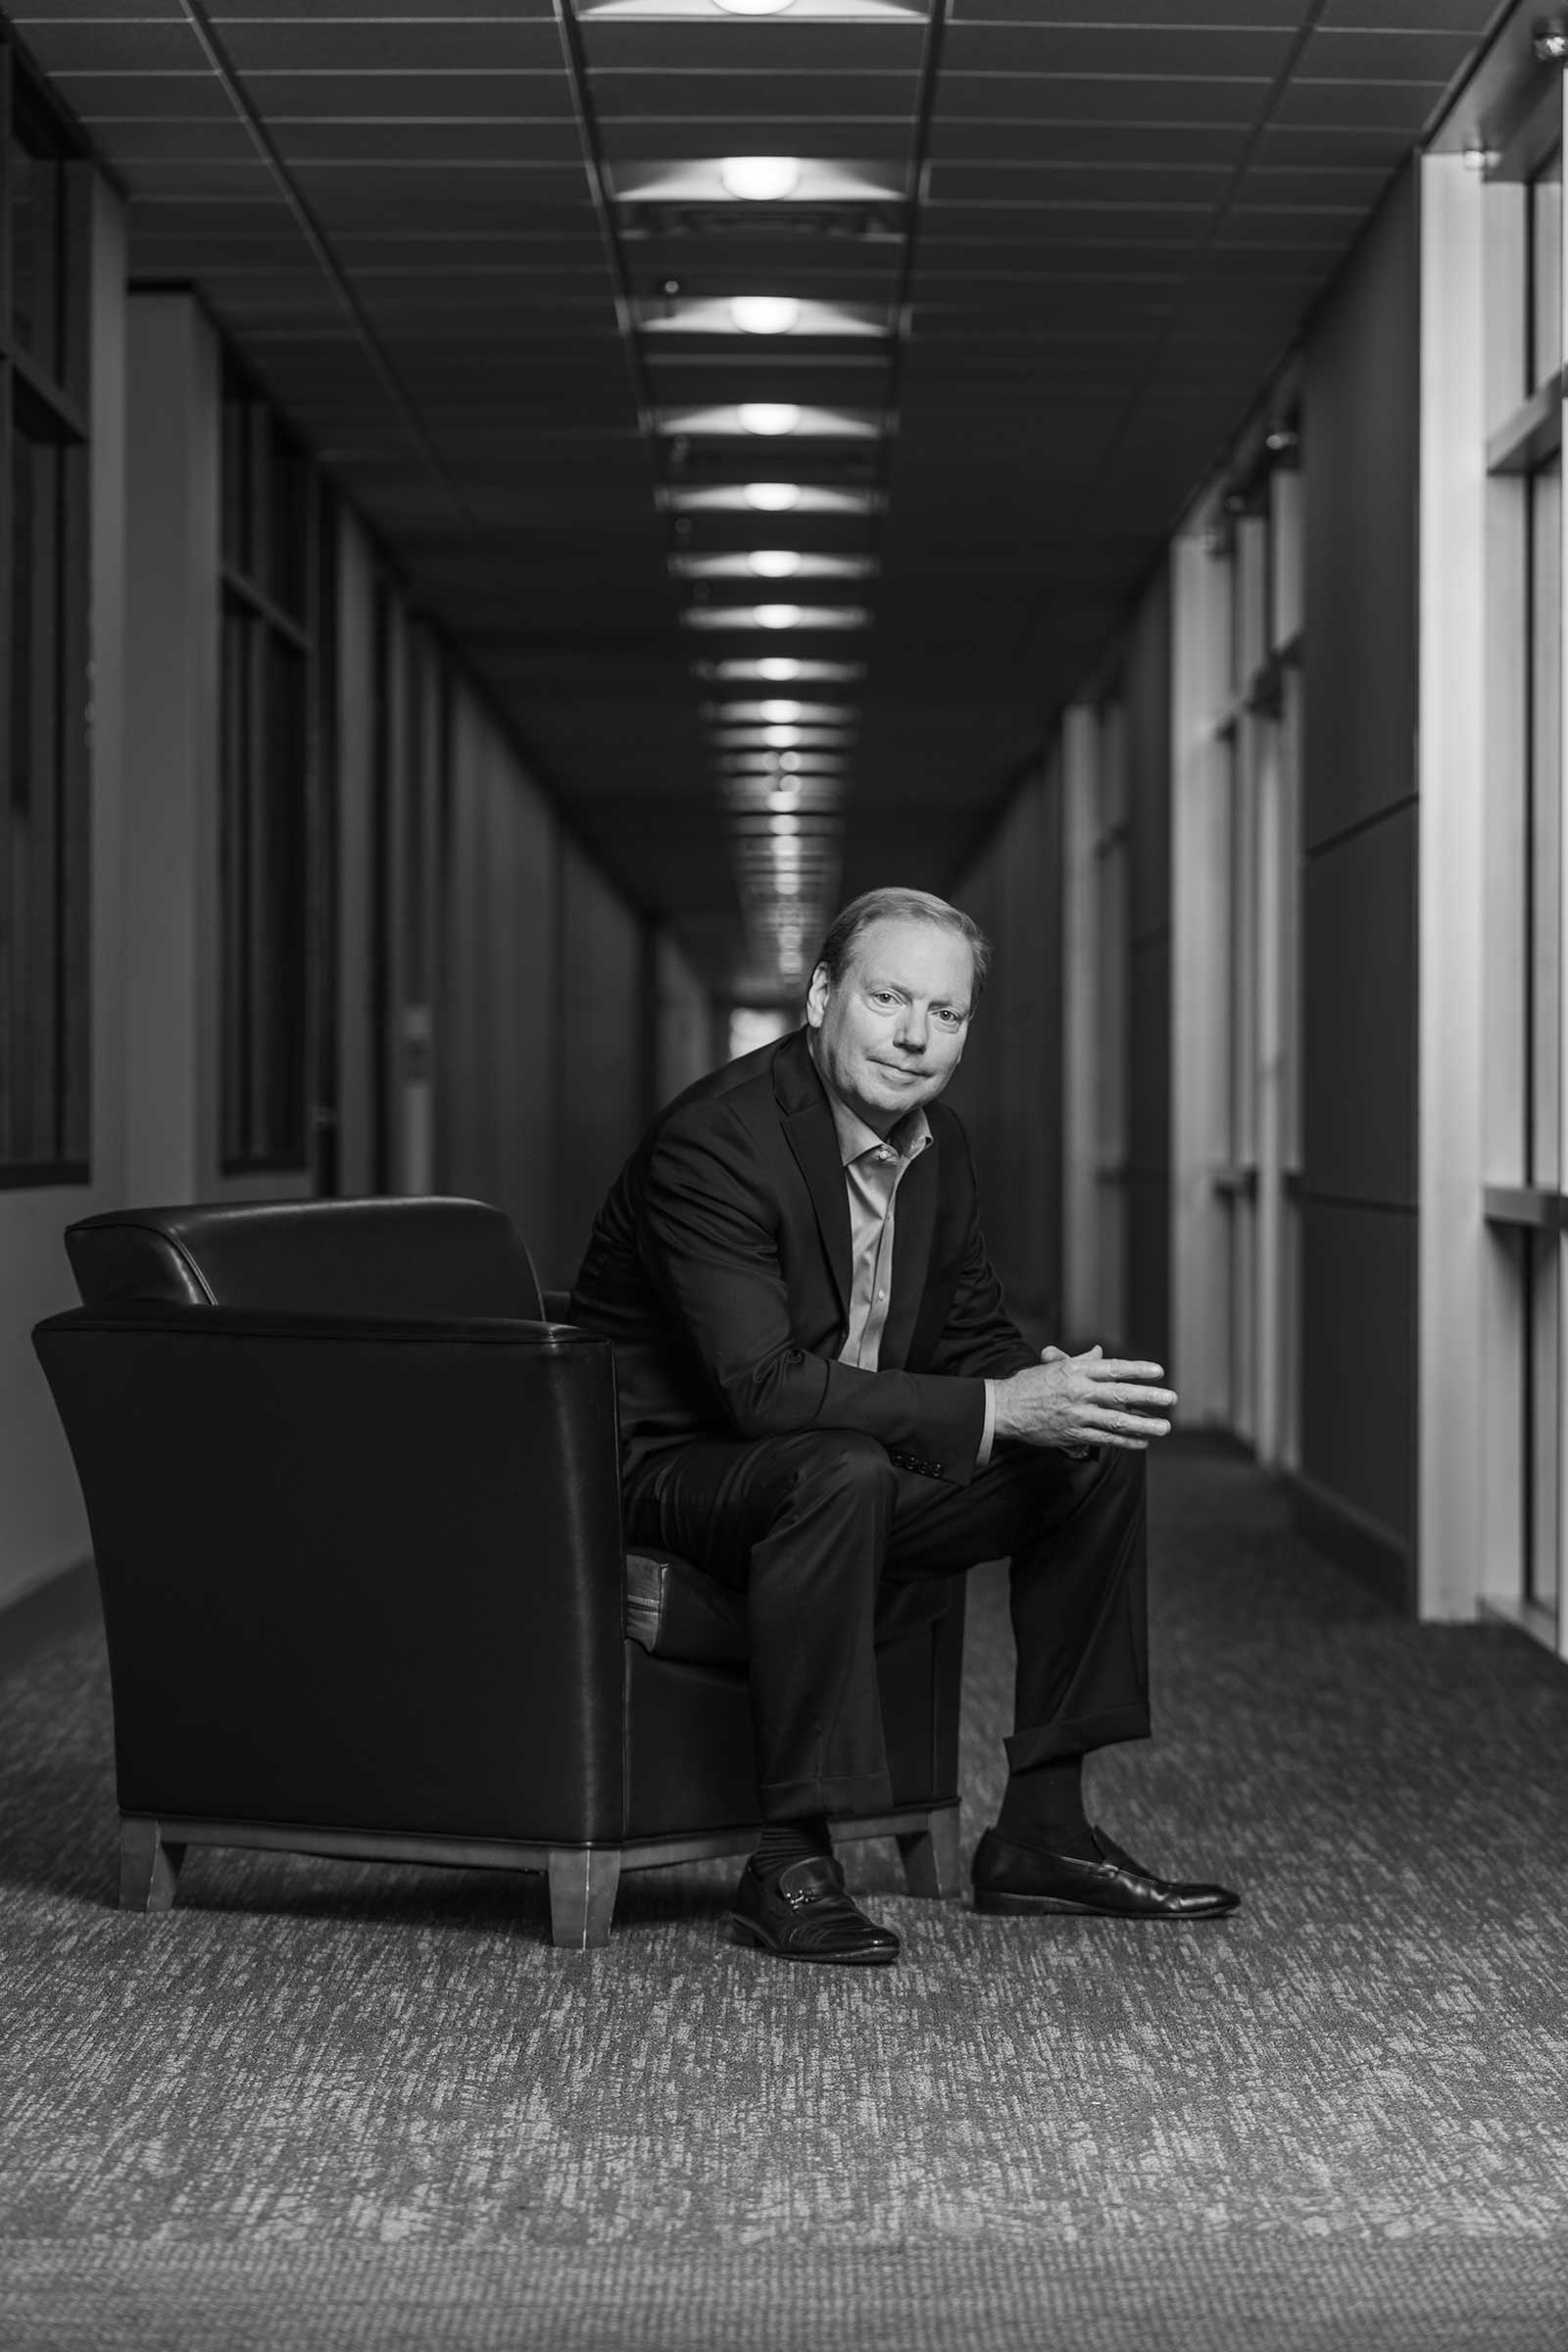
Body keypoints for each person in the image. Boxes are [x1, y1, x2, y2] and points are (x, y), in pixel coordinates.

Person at [569, 886, 1239, 1966]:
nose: (915, 1035)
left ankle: (1044, 1829)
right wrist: (992, 1408)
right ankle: (787, 1858)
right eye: (887, 998)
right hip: (672, 1473)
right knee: (837, 1470)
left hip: (842, 1464)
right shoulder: (715, 1143)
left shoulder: (940, 1146)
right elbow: (759, 1390)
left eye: (947, 1012)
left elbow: (969, 1331)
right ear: (824, 994)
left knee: (1088, 1455)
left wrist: (1042, 1389)